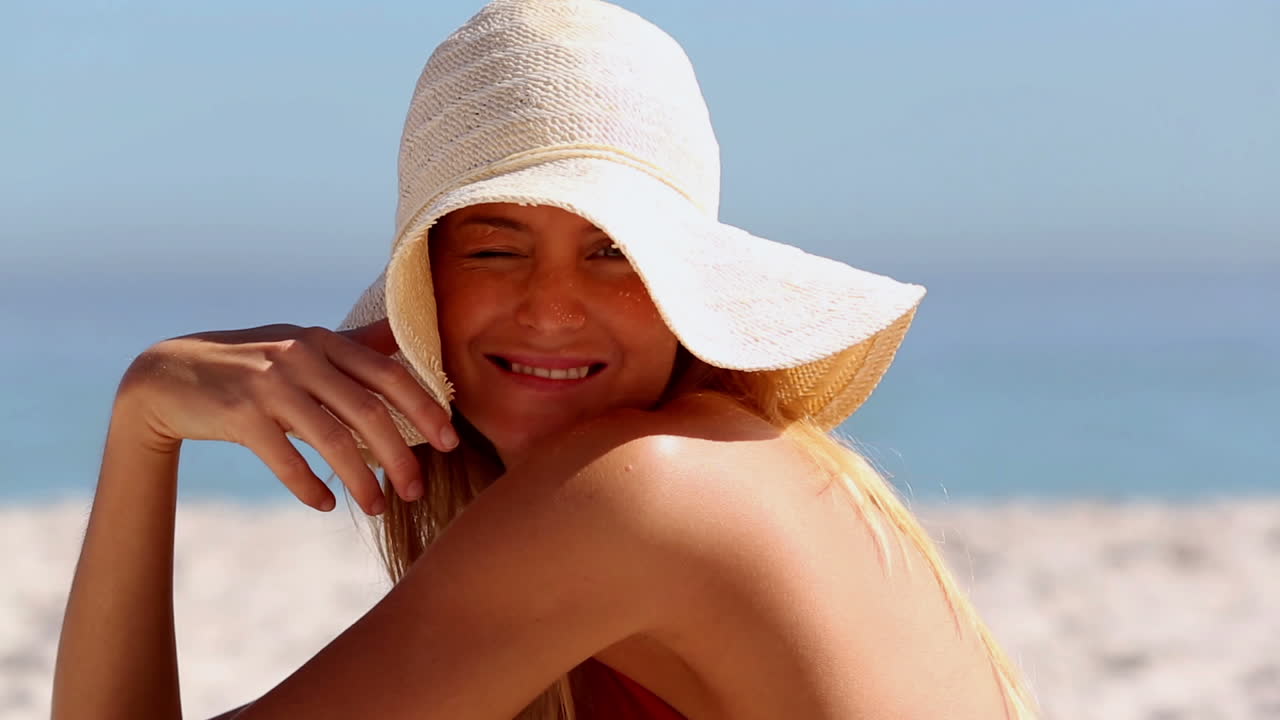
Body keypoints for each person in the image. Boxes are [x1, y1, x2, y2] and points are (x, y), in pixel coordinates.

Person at [52, 1, 1041, 718]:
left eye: (613, 252)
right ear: (429, 282)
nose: (552, 306)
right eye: (494, 247)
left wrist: (144, 424)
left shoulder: (642, 494)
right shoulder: (738, 463)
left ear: (679, 290)